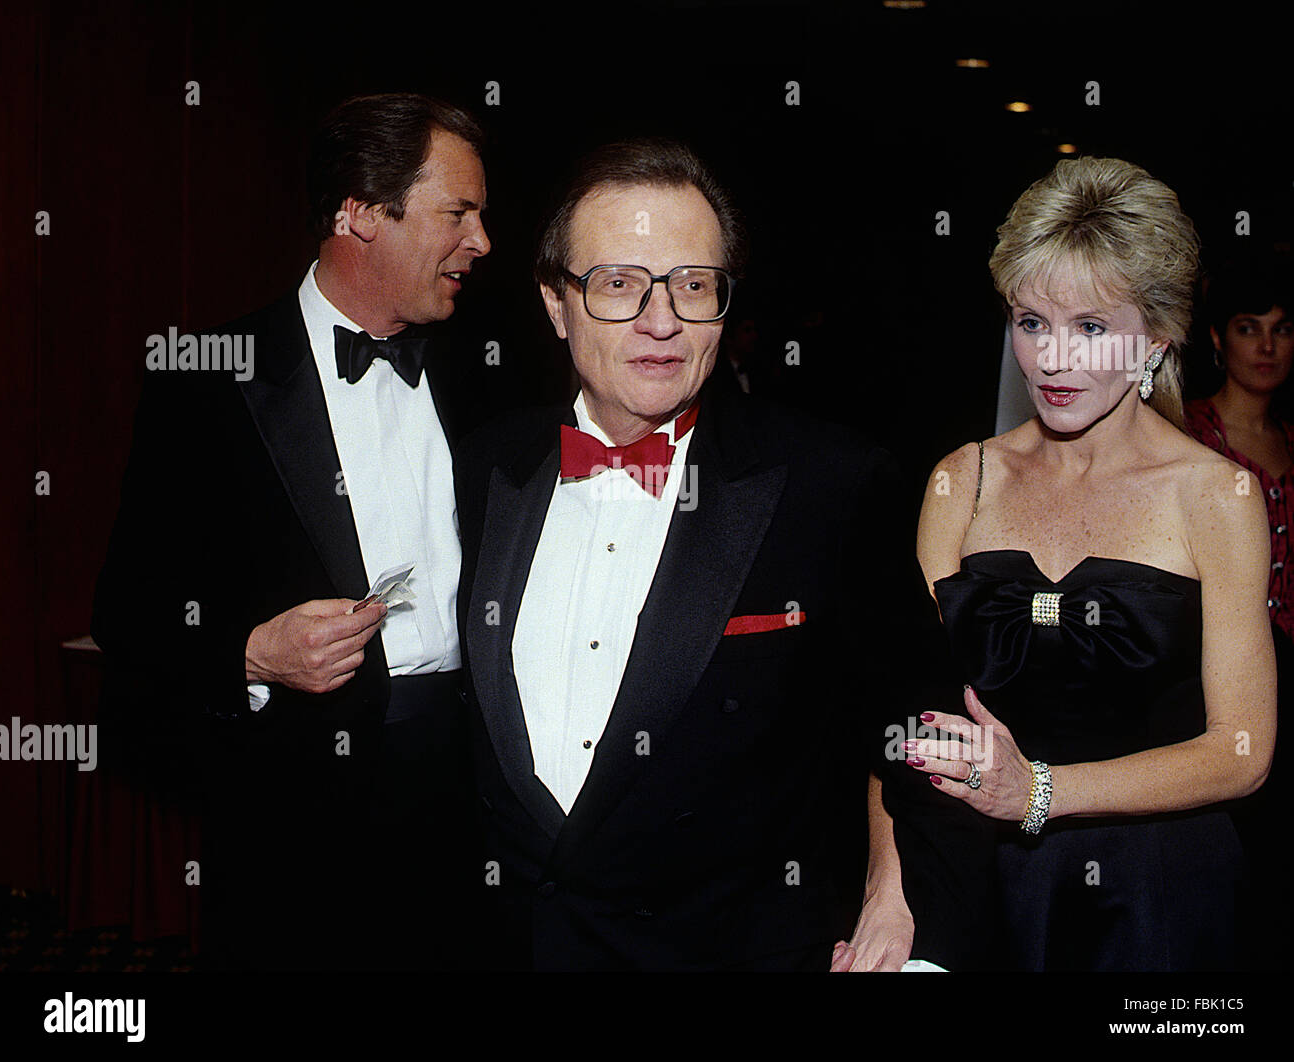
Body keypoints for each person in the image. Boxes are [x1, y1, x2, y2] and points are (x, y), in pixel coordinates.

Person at [453, 137, 961, 970]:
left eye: (693, 286)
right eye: (619, 285)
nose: (663, 322)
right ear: (555, 304)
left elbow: (919, 721)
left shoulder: (829, 484)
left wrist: (892, 900)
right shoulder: (482, 469)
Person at [91, 93, 491, 970]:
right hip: (295, 819)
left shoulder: (487, 376)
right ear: (358, 212)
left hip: (469, 805)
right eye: (458, 214)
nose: (481, 242)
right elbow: (130, 613)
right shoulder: (207, 380)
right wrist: (251, 654)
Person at [850, 157, 1275, 972]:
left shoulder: (1215, 494)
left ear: (1157, 336)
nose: (1051, 359)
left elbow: (1243, 751)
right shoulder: (961, 480)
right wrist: (887, 895)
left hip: (1154, 901)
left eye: (1090, 327)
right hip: (970, 881)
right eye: (1031, 321)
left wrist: (1039, 790)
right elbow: (907, 722)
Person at [1184, 259, 1294, 968]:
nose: (1266, 346)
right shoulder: (1183, 437)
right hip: (1212, 689)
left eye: (1283, 331)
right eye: (1249, 329)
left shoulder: (1292, 440)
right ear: (1218, 340)